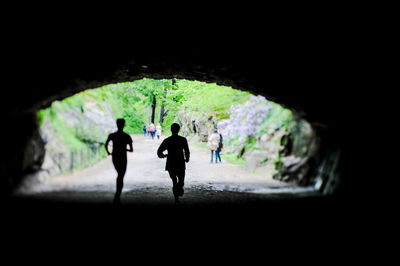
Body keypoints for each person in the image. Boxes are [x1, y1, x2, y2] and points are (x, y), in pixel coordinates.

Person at [157, 123, 190, 204]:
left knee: (174, 181)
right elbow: (186, 150)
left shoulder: (167, 140)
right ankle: (178, 194)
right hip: (180, 163)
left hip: (170, 163)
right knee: (181, 182)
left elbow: (159, 151)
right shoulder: (183, 140)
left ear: (171, 130)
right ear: (178, 130)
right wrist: (187, 158)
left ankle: (176, 198)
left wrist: (164, 156)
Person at [105, 118, 133, 205]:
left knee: (119, 174)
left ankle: (117, 196)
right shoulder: (127, 136)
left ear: (117, 124)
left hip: (115, 156)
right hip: (123, 157)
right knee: (121, 175)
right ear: (124, 125)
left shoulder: (112, 135)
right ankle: (117, 195)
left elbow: (106, 144)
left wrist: (109, 152)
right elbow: (131, 150)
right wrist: (124, 149)